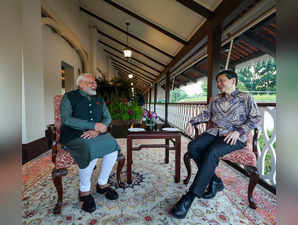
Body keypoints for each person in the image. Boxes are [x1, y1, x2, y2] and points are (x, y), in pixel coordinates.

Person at [171, 70, 260, 219]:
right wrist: (191, 121)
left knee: (212, 152)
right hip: (215, 132)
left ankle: (189, 197)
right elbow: (206, 114)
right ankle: (215, 180)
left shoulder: (246, 97)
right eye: (217, 81)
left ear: (233, 81)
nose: (218, 84)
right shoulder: (215, 99)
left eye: (221, 81)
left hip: (234, 136)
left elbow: (255, 118)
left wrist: (239, 131)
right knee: (193, 146)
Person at [60, 73, 120, 213]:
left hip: (97, 134)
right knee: (89, 148)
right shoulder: (68, 97)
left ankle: (102, 184)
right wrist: (92, 125)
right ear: (80, 84)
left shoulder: (99, 98)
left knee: (112, 146)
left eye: (94, 82)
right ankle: (84, 191)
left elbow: (107, 117)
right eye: (90, 82)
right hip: (74, 135)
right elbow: (66, 119)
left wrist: (97, 131)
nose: (94, 85)